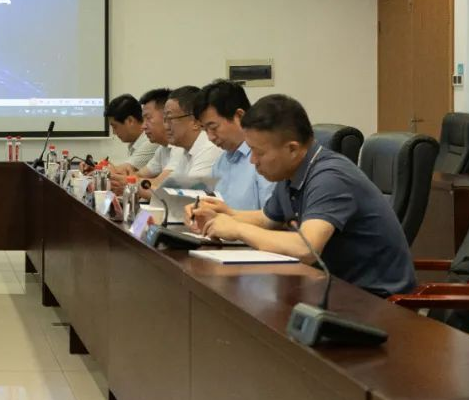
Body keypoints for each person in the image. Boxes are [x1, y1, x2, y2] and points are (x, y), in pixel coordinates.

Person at [191, 94, 416, 297]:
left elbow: (306, 248)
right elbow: (268, 219)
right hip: (331, 288)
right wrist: (223, 214)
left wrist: (238, 229)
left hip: (375, 301)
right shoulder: (292, 171)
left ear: (292, 148)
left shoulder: (330, 177)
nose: (253, 161)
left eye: (259, 152)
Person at [193, 79, 275, 211]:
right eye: (205, 130)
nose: (210, 137)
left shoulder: (267, 159)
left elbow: (272, 218)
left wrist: (229, 218)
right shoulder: (220, 163)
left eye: (213, 127)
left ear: (239, 116)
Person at [131, 87, 184, 195]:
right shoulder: (162, 147)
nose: (143, 126)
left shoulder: (181, 146)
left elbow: (160, 185)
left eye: (148, 118)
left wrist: (128, 182)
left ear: (167, 117)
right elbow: (139, 175)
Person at [163, 85, 223, 180]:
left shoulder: (210, 147)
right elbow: (170, 187)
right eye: (164, 119)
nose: (166, 127)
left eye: (170, 119)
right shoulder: (185, 149)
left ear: (195, 122)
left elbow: (191, 189)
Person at [104, 94, 158, 175]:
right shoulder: (135, 142)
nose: (114, 132)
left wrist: (99, 169)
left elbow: (124, 172)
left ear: (130, 121)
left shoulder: (150, 141)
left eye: (115, 126)